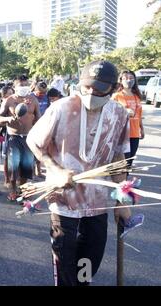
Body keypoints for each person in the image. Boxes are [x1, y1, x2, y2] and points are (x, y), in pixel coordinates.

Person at [26, 60, 139, 286]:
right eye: (87, 86)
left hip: (97, 202)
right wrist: (56, 170)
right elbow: (34, 141)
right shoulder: (62, 107)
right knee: (65, 268)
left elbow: (118, 157)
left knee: (87, 265)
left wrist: (122, 198)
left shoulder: (118, 114)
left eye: (98, 89)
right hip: (63, 201)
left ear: (113, 89)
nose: (90, 93)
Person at [0, 75, 41, 202]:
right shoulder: (9, 100)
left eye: (26, 85)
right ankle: (13, 191)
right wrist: (7, 119)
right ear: (14, 87)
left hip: (28, 138)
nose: (24, 88)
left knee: (26, 166)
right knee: (13, 166)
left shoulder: (33, 100)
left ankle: (23, 192)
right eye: (21, 85)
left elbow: (39, 118)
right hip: (13, 137)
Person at [112, 70, 145, 168]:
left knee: (129, 161)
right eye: (125, 78)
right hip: (121, 134)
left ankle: (126, 182)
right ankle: (121, 182)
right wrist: (124, 111)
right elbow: (110, 114)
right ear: (121, 80)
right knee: (121, 163)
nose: (128, 80)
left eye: (131, 78)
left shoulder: (137, 96)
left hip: (134, 134)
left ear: (135, 80)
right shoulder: (116, 96)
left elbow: (139, 115)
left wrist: (142, 129)